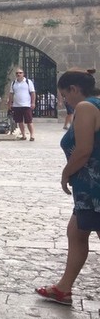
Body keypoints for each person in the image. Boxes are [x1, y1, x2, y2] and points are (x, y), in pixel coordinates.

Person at [35, 70, 100, 306]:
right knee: (76, 232)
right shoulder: (96, 104)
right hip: (89, 189)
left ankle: (63, 289)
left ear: (73, 89)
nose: (64, 101)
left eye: (64, 96)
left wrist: (65, 173)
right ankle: (63, 288)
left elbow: (83, 149)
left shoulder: (85, 107)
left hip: (94, 188)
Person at [7, 68, 37, 141]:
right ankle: (23, 135)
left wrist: (33, 103)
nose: (18, 74)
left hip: (26, 105)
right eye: (17, 73)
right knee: (20, 122)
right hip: (17, 105)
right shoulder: (13, 83)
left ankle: (32, 135)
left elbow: (32, 93)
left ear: (23, 74)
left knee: (29, 121)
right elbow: (11, 94)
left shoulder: (28, 82)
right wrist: (9, 104)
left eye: (20, 73)